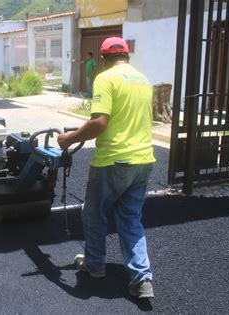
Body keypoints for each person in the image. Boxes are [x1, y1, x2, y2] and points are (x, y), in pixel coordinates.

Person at [58, 37, 156, 299]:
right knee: (130, 218)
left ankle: (95, 264)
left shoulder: (106, 78)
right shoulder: (144, 81)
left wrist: (68, 139)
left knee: (93, 213)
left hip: (114, 160)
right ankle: (142, 278)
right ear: (127, 56)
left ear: (102, 59)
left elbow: (99, 122)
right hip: (143, 160)